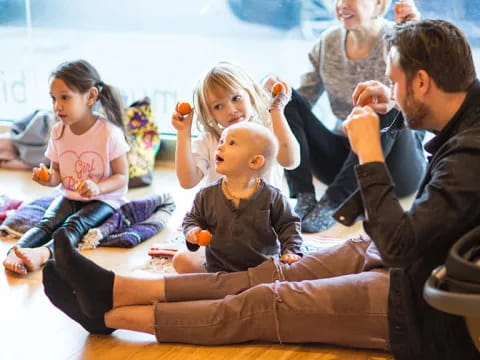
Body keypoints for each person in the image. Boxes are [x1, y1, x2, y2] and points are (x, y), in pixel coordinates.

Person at [44, 20, 480, 360]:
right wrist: (394, 110)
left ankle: (109, 313)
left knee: (265, 301)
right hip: (416, 258)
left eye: (397, 82)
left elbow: (401, 245)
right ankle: (118, 286)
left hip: (426, 308)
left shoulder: (469, 155)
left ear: (423, 82)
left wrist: (368, 152)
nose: (392, 91)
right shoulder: (468, 121)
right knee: (267, 273)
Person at [263, 0, 426, 232]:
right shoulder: (328, 41)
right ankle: (304, 197)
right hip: (345, 160)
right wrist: (274, 94)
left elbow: (422, 104)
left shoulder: (402, 37)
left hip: (398, 168)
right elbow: (304, 98)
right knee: (288, 97)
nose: (341, 5)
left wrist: (415, 41)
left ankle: (333, 202)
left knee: (379, 104)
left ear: (379, 2)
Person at [2, 60, 130, 276]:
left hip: (104, 199)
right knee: (47, 223)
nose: (57, 106)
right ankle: (15, 252)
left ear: (90, 97)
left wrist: (98, 188)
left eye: (65, 97)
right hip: (69, 195)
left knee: (74, 224)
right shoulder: (58, 132)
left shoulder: (109, 133)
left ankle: (43, 254)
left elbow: (122, 177)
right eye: (53, 98)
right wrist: (48, 178)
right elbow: (58, 175)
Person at [173, 121, 303, 274]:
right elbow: (192, 218)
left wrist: (291, 252)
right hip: (218, 268)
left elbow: (289, 225)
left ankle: (239, 287)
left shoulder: (273, 197)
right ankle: (229, 285)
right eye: (222, 141)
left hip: (262, 270)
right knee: (181, 261)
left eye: (231, 143)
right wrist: (192, 231)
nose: (220, 146)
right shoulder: (206, 194)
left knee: (294, 272)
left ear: (254, 161)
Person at [172, 60, 300, 191]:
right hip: (221, 211)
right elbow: (187, 181)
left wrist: (276, 110)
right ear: (210, 113)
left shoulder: (268, 133)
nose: (231, 110)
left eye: (236, 98)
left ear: (250, 94)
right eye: (218, 106)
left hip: (265, 210)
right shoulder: (209, 141)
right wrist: (183, 133)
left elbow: (290, 161)